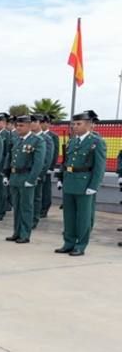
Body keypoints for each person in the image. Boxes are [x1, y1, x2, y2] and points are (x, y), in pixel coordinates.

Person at [55, 110, 106, 256]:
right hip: (69, 182)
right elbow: (65, 162)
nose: (75, 126)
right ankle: (68, 243)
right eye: (74, 124)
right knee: (69, 216)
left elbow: (99, 167)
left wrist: (93, 186)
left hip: (85, 184)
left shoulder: (97, 142)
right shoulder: (72, 141)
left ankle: (80, 245)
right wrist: (60, 178)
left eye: (78, 124)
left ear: (89, 125)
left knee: (83, 217)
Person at [2, 115, 45, 243]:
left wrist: (31, 180)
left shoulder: (37, 140)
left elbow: (38, 163)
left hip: (26, 177)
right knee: (17, 207)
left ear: (29, 126)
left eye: (21, 126)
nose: (18, 128)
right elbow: (10, 158)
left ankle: (25, 234)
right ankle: (17, 232)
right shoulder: (16, 139)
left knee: (26, 207)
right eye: (17, 125)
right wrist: (7, 175)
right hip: (15, 177)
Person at [30, 114, 55, 229]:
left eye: (34, 122)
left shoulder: (47, 139)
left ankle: (34, 219)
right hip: (26, 174)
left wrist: (39, 174)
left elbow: (47, 159)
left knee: (36, 198)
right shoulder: (29, 137)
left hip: (37, 174)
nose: (31, 124)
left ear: (40, 123)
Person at [0, 113, 12, 222]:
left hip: (1, 168)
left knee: (1, 191)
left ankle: (1, 211)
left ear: (4, 123)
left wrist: (5, 169)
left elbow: (8, 154)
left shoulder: (7, 135)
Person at [40, 116, 60, 217]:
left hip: (47, 167)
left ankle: (44, 209)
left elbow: (55, 153)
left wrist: (51, 167)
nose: (40, 124)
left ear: (48, 123)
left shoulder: (53, 136)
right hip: (37, 167)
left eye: (42, 122)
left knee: (45, 189)